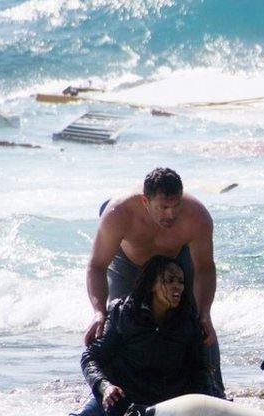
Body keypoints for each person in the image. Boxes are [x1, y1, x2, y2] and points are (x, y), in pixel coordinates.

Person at [83, 167, 224, 396]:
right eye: (163, 207)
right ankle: (106, 393)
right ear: (145, 201)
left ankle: (214, 394)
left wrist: (205, 312)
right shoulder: (118, 212)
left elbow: (205, 268)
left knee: (198, 326)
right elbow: (96, 266)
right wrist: (99, 311)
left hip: (175, 259)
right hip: (129, 264)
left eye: (176, 205)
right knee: (115, 323)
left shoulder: (196, 216)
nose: (170, 215)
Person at [73, 256, 219, 416]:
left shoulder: (188, 322)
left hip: (163, 405)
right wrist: (105, 387)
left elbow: (200, 371)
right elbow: (90, 357)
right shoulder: (123, 313)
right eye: (169, 280)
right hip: (117, 398)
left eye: (181, 281)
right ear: (151, 285)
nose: (177, 286)